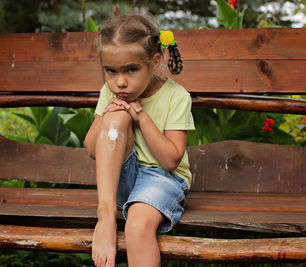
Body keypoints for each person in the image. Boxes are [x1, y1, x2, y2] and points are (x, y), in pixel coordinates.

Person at [84, 13, 195, 267]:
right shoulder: (110, 91)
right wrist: (109, 115)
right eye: (110, 71)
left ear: (154, 62)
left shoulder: (176, 96)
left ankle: (119, 217)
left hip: (163, 178)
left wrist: (142, 118)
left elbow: (171, 160)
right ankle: (106, 216)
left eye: (131, 70)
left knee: (136, 225)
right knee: (116, 117)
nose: (120, 82)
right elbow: (92, 149)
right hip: (122, 179)